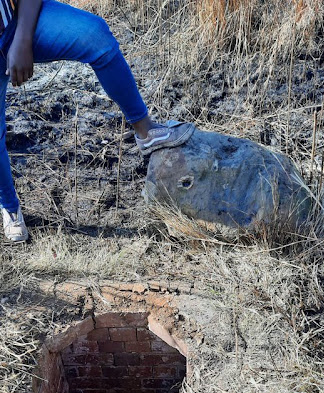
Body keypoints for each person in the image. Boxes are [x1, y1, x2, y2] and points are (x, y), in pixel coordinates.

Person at [0, 0, 194, 242]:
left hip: (15, 21)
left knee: (94, 35)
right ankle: (9, 207)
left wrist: (23, 39)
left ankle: (146, 132)